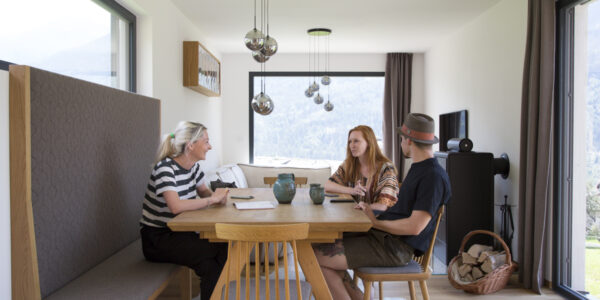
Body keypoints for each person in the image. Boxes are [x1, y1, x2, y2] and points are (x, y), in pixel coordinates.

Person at [315, 113, 451, 300]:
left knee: (313, 258)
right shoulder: (419, 168)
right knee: (316, 248)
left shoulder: (433, 176)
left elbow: (415, 226)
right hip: (384, 239)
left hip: (394, 247)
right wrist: (371, 216)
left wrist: (375, 223)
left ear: (409, 141)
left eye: (402, 138)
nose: (401, 143)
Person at [140, 121, 229, 300]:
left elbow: (203, 190)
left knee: (212, 263)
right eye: (206, 142)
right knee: (221, 249)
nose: (209, 146)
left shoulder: (193, 167)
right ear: (190, 145)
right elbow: (176, 206)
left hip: (179, 233)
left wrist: (216, 196)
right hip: (157, 238)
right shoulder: (165, 168)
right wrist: (211, 200)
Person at [325, 125, 399, 212]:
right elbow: (328, 185)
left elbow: (383, 206)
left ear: (369, 143)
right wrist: (352, 190)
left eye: (356, 141)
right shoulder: (349, 165)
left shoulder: (386, 169)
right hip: (356, 217)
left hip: (378, 220)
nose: (351, 145)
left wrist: (365, 206)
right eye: (350, 142)